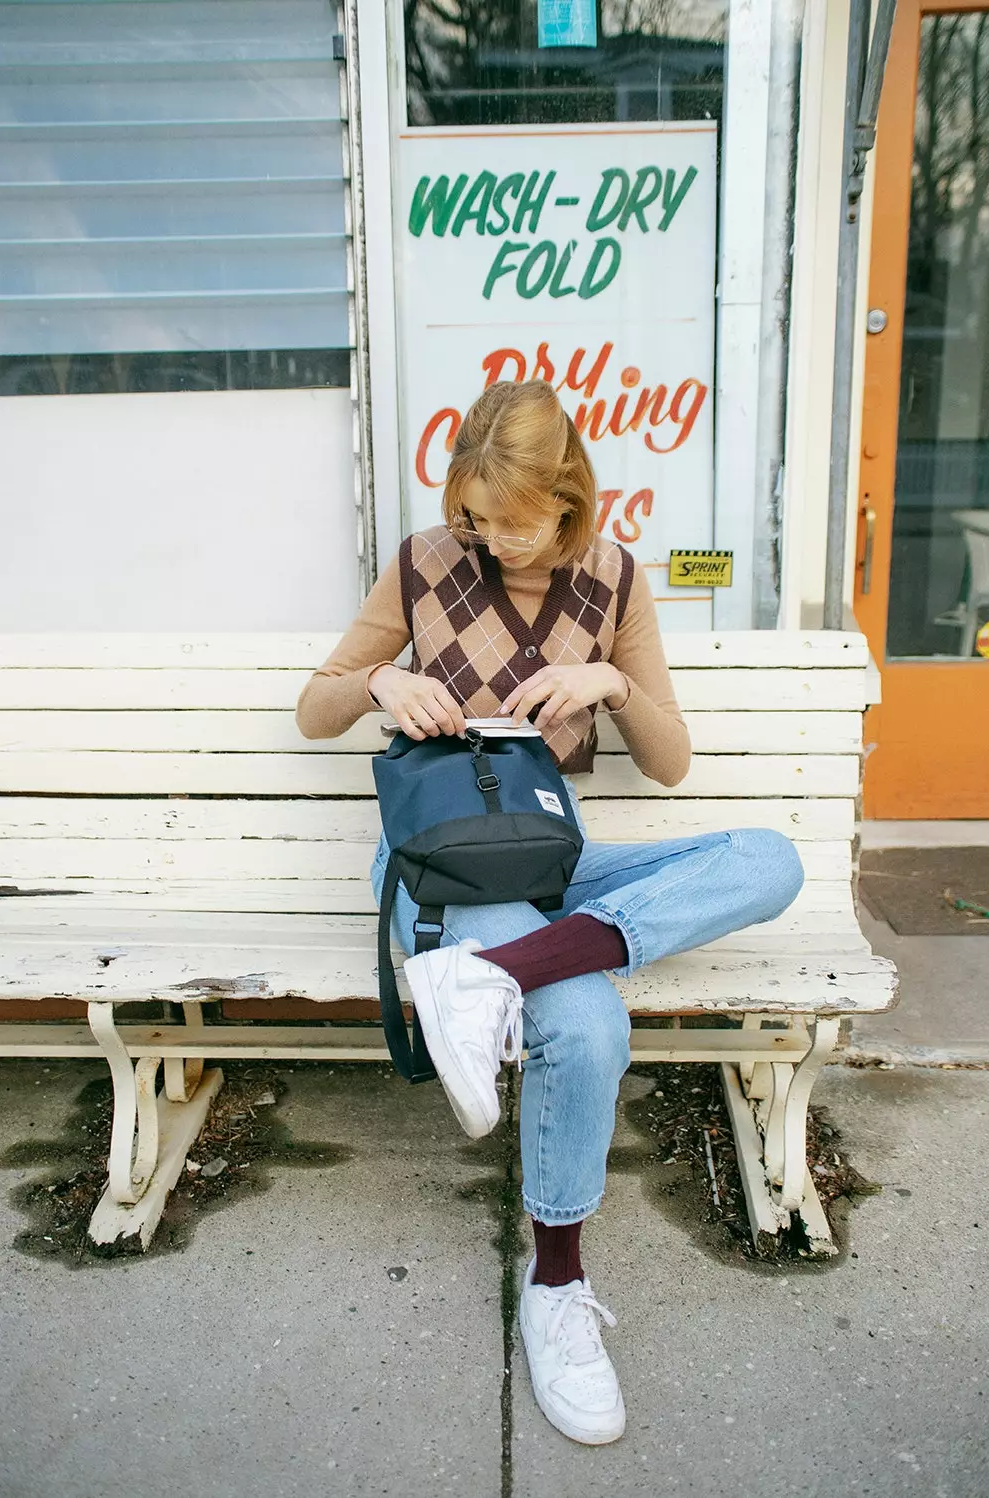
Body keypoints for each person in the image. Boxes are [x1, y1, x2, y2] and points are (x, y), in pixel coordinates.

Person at [296, 379, 804, 1447]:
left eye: (515, 522)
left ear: (569, 497)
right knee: (591, 1021)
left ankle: (495, 975)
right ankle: (556, 1288)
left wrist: (607, 688)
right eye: (476, 517)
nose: (493, 540)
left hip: (544, 850)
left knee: (766, 858)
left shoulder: (613, 581)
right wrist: (383, 681)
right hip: (440, 858)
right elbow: (315, 707)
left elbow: (669, 765)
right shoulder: (426, 562)